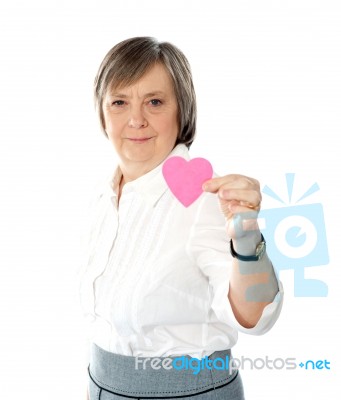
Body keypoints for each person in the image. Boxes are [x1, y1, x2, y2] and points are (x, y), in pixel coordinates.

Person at [78, 36, 284, 400]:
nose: (136, 119)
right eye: (120, 102)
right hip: (100, 387)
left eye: (154, 102)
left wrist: (246, 235)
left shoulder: (203, 199)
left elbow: (253, 315)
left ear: (182, 110)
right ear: (102, 113)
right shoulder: (103, 195)